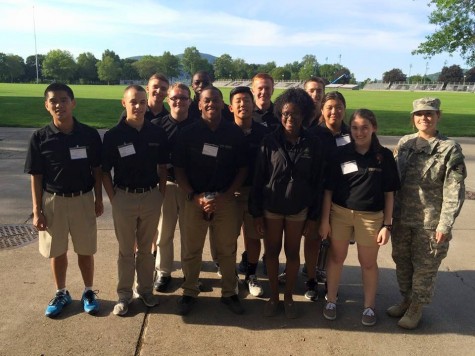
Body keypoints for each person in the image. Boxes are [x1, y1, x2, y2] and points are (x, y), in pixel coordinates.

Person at [24, 83, 103, 317]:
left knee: (85, 249)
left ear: (73, 103)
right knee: (57, 251)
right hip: (53, 200)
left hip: (82, 199)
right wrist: (37, 210)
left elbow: (97, 170)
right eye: (53, 101)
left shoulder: (88, 134)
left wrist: (99, 199)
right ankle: (62, 292)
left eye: (64, 100)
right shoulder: (39, 138)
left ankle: (88, 291)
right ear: (47, 106)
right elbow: (36, 177)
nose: (59, 104)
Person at [388, 98, 466, 329]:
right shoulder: (405, 144)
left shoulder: (449, 149)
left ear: (438, 116)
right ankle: (406, 299)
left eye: (429, 114)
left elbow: (454, 191)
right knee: (402, 262)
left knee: (424, 268)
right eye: (419, 114)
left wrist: (445, 224)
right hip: (402, 219)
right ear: (413, 118)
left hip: (430, 222)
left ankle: (416, 308)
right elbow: (391, 179)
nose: (424, 118)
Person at [319, 108, 400, 326]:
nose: (359, 132)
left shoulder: (384, 157)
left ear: (374, 128)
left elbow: (389, 194)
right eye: (355, 128)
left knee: (368, 263)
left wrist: (387, 225)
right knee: (336, 257)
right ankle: (331, 300)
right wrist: (325, 220)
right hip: (340, 213)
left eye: (365, 127)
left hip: (371, 217)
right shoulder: (340, 154)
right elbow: (327, 190)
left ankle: (369, 307)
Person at [249, 88, 325, 319]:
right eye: (285, 114)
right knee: (271, 252)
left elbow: (317, 181)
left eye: (295, 114)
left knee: (292, 253)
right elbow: (258, 177)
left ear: (304, 115)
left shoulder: (313, 143)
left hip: (298, 209)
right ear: (279, 114)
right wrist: (256, 213)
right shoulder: (269, 140)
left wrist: (313, 216)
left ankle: (289, 296)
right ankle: (274, 296)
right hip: (271, 207)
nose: (289, 119)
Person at [173, 86, 248, 316]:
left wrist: (226, 196)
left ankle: (229, 292)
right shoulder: (187, 133)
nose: (211, 104)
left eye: (215, 100)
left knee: (227, 249)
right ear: (199, 104)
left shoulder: (234, 133)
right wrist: (195, 197)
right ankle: (189, 291)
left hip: (225, 200)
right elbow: (178, 169)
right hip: (194, 199)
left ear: (223, 103)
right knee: (191, 249)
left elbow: (243, 169)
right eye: (206, 100)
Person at [102, 85, 169, 316]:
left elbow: (162, 167)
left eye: (142, 102)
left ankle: (146, 291)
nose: (139, 107)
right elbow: (104, 171)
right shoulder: (113, 135)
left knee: (146, 250)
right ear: (124, 103)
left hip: (151, 196)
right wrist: (114, 198)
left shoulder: (156, 133)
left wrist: (159, 195)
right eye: (134, 102)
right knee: (125, 251)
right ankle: (124, 295)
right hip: (124, 198)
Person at [151, 83, 195, 292]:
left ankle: (189, 273)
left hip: (190, 186)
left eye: (184, 98)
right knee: (164, 234)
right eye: (175, 98)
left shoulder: (198, 126)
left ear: (190, 101)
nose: (179, 101)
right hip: (166, 185)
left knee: (189, 234)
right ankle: (164, 271)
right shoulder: (157, 126)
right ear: (168, 100)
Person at [228, 86, 270, 297]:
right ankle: (231, 276)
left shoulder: (264, 133)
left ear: (254, 105)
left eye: (247, 101)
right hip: (231, 194)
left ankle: (251, 274)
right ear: (230, 107)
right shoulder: (224, 132)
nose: (243, 104)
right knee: (229, 237)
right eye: (238, 101)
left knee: (254, 237)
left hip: (256, 194)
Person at [301, 76, 326, 301]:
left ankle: (313, 275)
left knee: (315, 238)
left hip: (321, 191)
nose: (315, 94)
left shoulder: (329, 121)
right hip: (297, 191)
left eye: (319, 91)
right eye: (311, 91)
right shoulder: (297, 118)